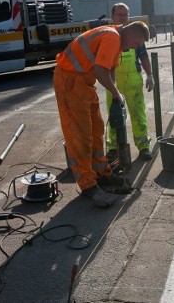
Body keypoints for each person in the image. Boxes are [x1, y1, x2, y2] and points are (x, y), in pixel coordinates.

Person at [53, 20, 150, 207]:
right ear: (131, 35)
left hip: (84, 83)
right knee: (80, 135)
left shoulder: (117, 37)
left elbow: (110, 67)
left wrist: (116, 95)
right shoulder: (112, 37)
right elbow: (100, 70)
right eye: (136, 43)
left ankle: (101, 173)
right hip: (69, 81)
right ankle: (88, 184)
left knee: (96, 130)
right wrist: (115, 93)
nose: (135, 47)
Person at [105, 3, 154, 165]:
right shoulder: (110, 35)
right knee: (115, 115)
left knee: (138, 114)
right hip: (114, 81)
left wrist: (150, 75)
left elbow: (144, 56)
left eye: (125, 15)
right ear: (112, 16)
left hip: (133, 80)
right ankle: (112, 148)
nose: (122, 18)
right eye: (119, 14)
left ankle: (143, 146)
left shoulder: (135, 34)